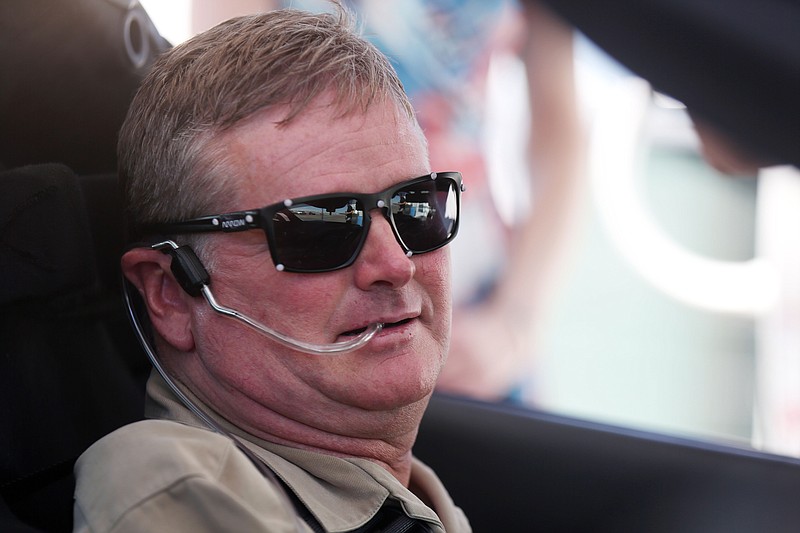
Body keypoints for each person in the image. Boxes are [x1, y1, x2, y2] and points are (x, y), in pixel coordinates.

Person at [72, 6, 470, 532]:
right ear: (169, 292)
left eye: (415, 208)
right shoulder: (173, 483)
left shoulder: (401, 497)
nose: (395, 264)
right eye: (320, 227)